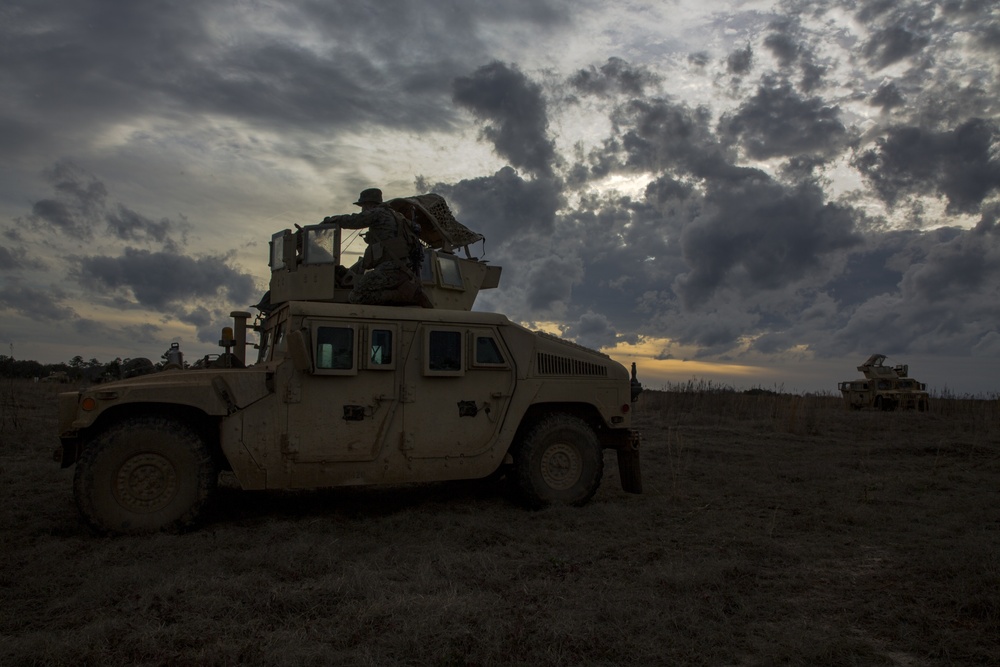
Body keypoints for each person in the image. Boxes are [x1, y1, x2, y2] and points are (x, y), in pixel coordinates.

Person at [322, 188, 431, 307]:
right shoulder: (396, 216)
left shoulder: (378, 213)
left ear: (369, 205)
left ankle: (403, 295)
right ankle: (404, 293)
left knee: (356, 296)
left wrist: (331, 220)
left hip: (390, 270)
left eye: (363, 206)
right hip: (402, 269)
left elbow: (354, 221)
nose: (362, 210)